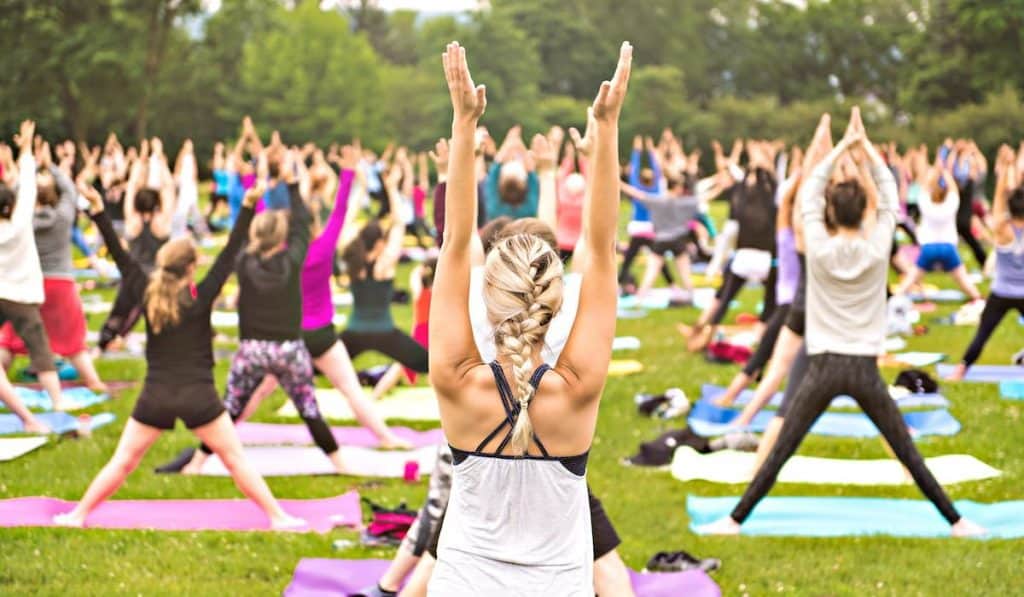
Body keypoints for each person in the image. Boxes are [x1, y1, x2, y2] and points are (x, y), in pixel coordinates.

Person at [697, 109, 984, 538]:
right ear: (862, 210)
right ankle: (958, 522)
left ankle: (734, 520)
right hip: (863, 367)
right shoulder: (877, 245)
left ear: (831, 209)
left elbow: (809, 192)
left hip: (824, 365)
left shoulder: (817, 245)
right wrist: (864, 148)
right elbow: (889, 193)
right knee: (906, 452)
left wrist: (836, 150)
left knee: (783, 448)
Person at [426, 40, 629, 595]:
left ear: (488, 293)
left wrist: (464, 124)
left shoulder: (457, 379)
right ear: (554, 298)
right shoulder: (576, 389)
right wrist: (605, 132)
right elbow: (601, 247)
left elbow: (455, 242)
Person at [54, 171, 303, 529]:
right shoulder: (198, 300)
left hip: (156, 395)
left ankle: (77, 515)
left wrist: (97, 211)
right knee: (235, 460)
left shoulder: (144, 289)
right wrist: (248, 206)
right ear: (191, 268)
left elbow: (122, 255)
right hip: (199, 397)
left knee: (122, 461)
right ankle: (278, 518)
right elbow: (231, 251)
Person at [226, 146, 412, 449]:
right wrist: (348, 174)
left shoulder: (283, 257)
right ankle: (386, 438)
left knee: (258, 392)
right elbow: (339, 212)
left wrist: (250, 182)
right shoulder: (323, 249)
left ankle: (225, 435)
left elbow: (260, 217)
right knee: (351, 390)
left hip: (289, 336)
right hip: (321, 336)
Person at [184, 150, 344, 474]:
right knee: (310, 410)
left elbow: (234, 241)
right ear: (282, 238)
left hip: (252, 351)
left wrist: (247, 204)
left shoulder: (244, 262)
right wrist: (294, 185)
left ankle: (197, 462)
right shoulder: (292, 261)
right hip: (289, 350)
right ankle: (339, 463)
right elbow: (301, 226)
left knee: (230, 408)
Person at [0, 141, 105, 393]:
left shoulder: (23, 220)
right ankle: (94, 383)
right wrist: (51, 166)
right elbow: (70, 192)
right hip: (61, 284)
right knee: (73, 343)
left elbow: (12, 195)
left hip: (27, 289)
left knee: (11, 340)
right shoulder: (63, 217)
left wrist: (28, 165)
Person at [336, 159, 429, 385]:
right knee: (427, 363)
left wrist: (360, 185)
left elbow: (345, 220)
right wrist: (391, 188)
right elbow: (398, 224)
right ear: (379, 243)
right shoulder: (384, 264)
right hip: (384, 331)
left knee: (320, 365)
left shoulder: (352, 261)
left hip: (355, 331)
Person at [947, 145, 1024, 380]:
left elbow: (1000, 201)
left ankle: (960, 371)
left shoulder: (1002, 230)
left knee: (983, 334)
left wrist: (1004, 174)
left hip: (1000, 293)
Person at [0, 120, 54, 432]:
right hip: (21, 296)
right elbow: (29, 188)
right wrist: (26, 152)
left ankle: (28, 417)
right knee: (41, 351)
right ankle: (56, 402)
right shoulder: (20, 223)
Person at [95, 139, 174, 354]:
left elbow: (130, 189)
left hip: (133, 275)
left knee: (119, 314)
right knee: (162, 317)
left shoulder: (133, 221)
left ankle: (106, 341)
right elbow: (168, 188)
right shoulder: (162, 222)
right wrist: (159, 157)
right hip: (158, 277)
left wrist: (140, 162)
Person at [894, 152, 982, 301]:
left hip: (928, 248)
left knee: (911, 277)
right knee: (962, 279)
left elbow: (924, 187)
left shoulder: (926, 204)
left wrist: (935, 171)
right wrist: (946, 173)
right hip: (948, 248)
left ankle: (896, 296)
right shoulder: (951, 204)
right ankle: (978, 297)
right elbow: (954, 189)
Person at [619, 175, 700, 301]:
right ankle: (692, 295)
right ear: (678, 188)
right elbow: (703, 198)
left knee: (651, 272)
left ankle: (640, 298)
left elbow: (636, 193)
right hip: (678, 240)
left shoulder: (656, 201)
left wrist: (620, 183)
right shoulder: (683, 202)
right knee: (685, 272)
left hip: (660, 240)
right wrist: (719, 186)